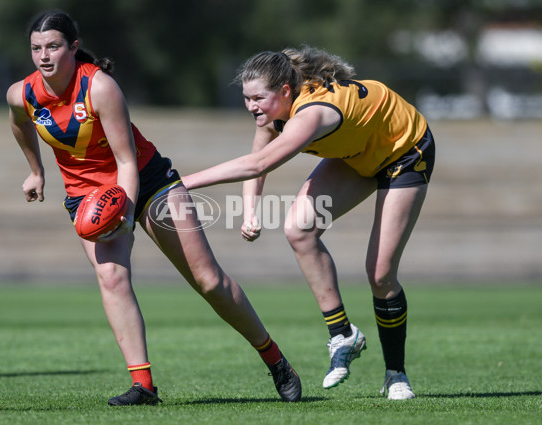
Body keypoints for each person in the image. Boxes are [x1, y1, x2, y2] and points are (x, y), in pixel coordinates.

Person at [6, 10, 301, 405]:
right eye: (36, 48)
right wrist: (35, 171)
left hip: (147, 181)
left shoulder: (99, 88)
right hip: (86, 195)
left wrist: (127, 214)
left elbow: (127, 161)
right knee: (111, 278)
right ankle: (143, 386)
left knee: (209, 280)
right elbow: (19, 122)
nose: (44, 56)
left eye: (54, 46)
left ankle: (275, 359)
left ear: (73, 48)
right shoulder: (21, 94)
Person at [182, 46, 435, 400]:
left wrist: (180, 183)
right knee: (298, 229)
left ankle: (396, 375)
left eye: (259, 98)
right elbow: (259, 159)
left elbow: (257, 165)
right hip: (358, 153)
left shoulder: (311, 115)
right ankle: (343, 335)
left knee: (379, 273)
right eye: (246, 98)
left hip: (403, 151)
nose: (251, 106)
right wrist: (250, 211)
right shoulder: (273, 116)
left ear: (286, 91)